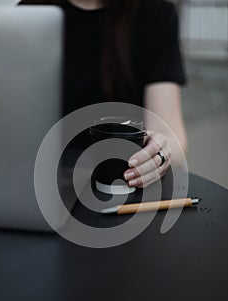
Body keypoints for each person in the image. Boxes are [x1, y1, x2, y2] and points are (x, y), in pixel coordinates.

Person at [18, 0, 188, 188]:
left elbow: (171, 135)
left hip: (121, 184)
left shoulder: (155, 14)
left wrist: (158, 153)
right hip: (40, 182)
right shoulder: (27, 16)